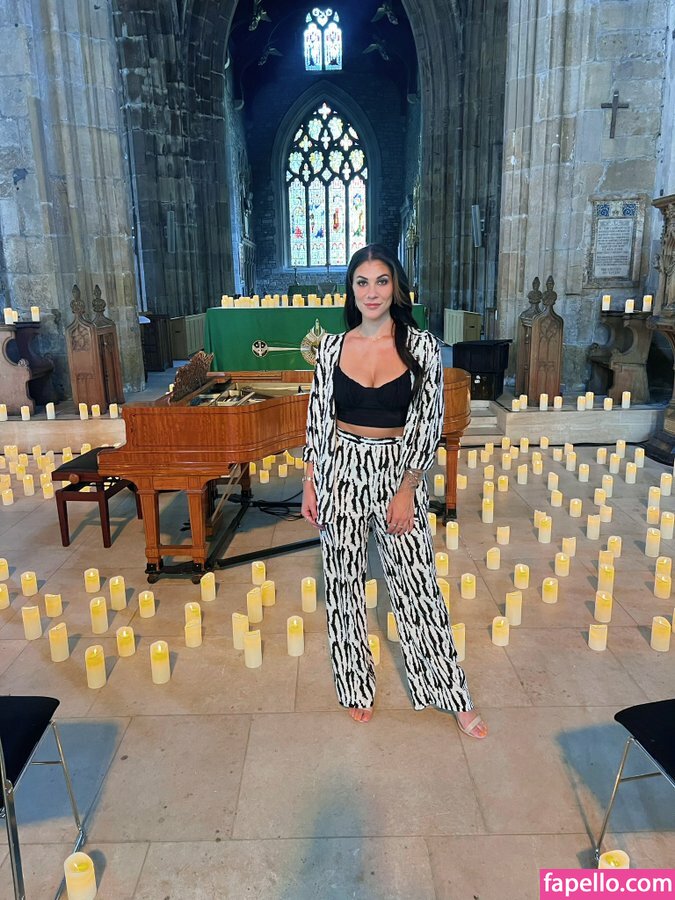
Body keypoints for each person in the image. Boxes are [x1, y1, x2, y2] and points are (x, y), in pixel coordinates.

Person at [301, 243, 487, 739]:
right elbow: (318, 420)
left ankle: (452, 694)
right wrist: (311, 482)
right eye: (362, 282)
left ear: (396, 287)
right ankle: (355, 686)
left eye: (381, 281)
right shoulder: (332, 348)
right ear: (351, 290)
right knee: (342, 584)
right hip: (339, 470)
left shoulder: (420, 346)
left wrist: (407, 488)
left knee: (417, 586)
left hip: (396, 471)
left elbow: (428, 423)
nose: (372, 292)